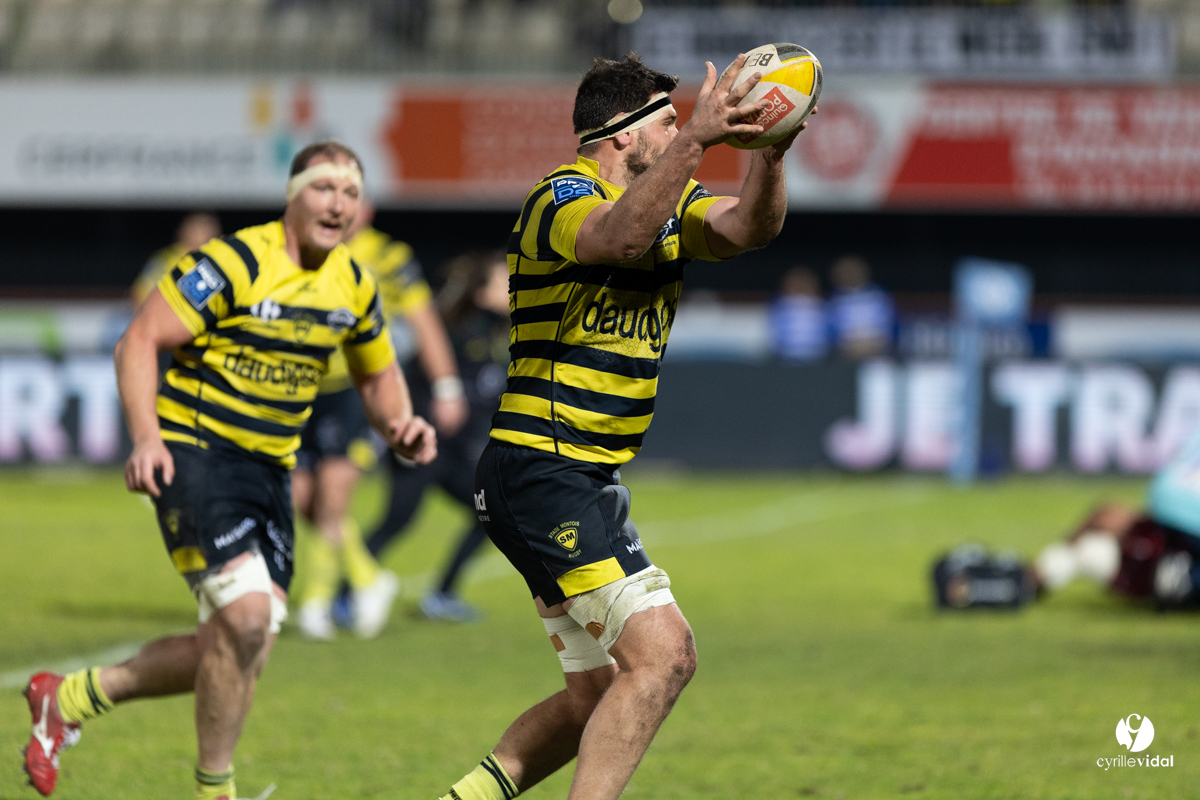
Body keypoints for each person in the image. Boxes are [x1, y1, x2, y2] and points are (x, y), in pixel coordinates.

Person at [435, 53, 810, 800]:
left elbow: (748, 229)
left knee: (590, 698)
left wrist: (771, 153)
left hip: (574, 474)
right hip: (544, 467)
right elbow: (618, 240)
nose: (680, 130)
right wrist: (696, 141)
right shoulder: (559, 197)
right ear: (619, 132)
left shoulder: (666, 196)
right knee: (665, 656)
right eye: (667, 121)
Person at [21, 141, 437, 800]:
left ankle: (68, 697)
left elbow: (378, 371)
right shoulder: (234, 261)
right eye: (325, 188)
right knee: (245, 620)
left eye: (351, 193)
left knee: (244, 646)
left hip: (269, 468)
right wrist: (146, 440)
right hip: (195, 450)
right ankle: (216, 790)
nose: (339, 204)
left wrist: (401, 423)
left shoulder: (354, 282)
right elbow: (139, 340)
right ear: (293, 196)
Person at [292, 199, 467, 640]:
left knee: (334, 495)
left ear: (365, 210)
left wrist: (446, 386)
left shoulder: (389, 257)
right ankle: (369, 577)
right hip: (298, 386)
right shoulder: (298, 249)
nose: (339, 211)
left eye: (350, 201)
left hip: (358, 387)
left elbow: (423, 322)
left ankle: (315, 603)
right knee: (300, 498)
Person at [361, 250, 511, 623]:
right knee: (397, 521)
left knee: (493, 514)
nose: (512, 288)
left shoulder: (498, 334)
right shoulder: (458, 333)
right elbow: (416, 374)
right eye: (503, 281)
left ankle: (441, 596)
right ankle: (343, 594)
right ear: (480, 293)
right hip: (425, 448)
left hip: (457, 454)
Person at [1034, 425, 1200, 607]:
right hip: (1172, 523)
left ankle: (1038, 574)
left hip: (1162, 514)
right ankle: (1181, 579)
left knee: (1105, 524)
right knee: (1106, 527)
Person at [131, 213, 222, 306]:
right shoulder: (166, 258)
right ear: (186, 231)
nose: (207, 235)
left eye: (210, 229)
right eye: (201, 230)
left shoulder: (217, 260)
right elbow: (141, 293)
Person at [828, 254, 894, 358]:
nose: (850, 275)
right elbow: (831, 329)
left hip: (878, 351)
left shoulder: (878, 295)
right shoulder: (835, 300)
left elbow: (890, 324)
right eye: (845, 271)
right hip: (846, 354)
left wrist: (874, 344)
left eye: (853, 271)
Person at [768, 265, 827, 361]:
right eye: (796, 282)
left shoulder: (824, 308)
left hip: (819, 359)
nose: (800, 286)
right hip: (785, 359)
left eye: (805, 282)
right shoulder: (778, 308)